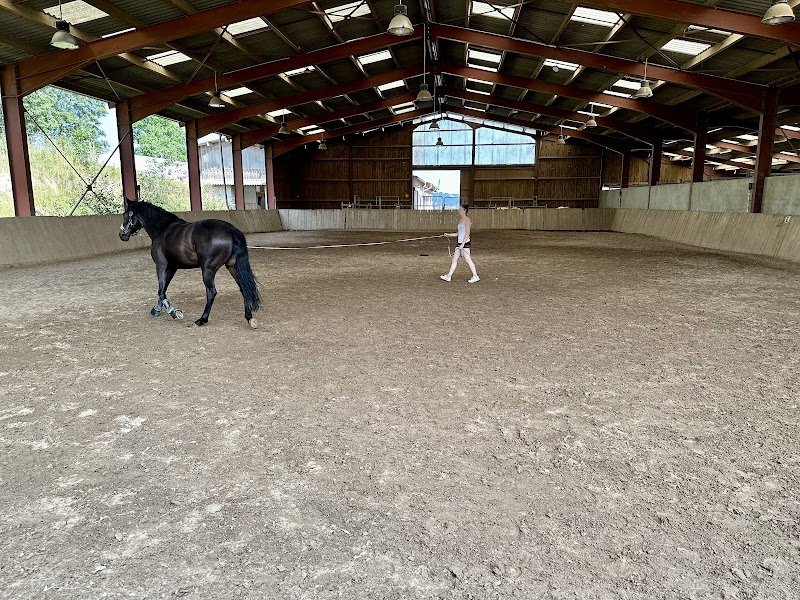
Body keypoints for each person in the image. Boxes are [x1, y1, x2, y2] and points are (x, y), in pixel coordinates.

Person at [441, 204, 480, 284]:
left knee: (468, 259)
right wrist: (448, 234)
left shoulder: (467, 220)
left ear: (464, 210)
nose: (459, 211)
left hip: (465, 243)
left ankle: (475, 276)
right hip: (460, 243)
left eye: (460, 210)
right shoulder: (461, 220)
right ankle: (449, 276)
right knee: (454, 260)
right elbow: (458, 233)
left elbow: (467, 233)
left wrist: (462, 244)